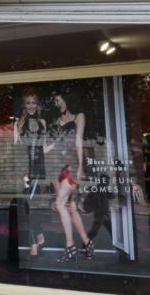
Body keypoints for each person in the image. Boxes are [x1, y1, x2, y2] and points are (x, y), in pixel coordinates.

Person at [49, 92, 94, 263]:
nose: (57, 103)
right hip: (57, 166)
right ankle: (88, 243)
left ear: (67, 100)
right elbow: (54, 144)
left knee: (60, 204)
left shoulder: (78, 117)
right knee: (71, 206)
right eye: (55, 101)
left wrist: (81, 166)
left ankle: (70, 248)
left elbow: (78, 141)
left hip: (72, 167)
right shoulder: (57, 122)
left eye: (59, 100)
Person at [15, 87, 54, 257]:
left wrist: (59, 143)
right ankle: (40, 238)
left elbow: (44, 148)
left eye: (33, 103)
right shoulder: (18, 123)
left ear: (37, 105)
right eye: (28, 103)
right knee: (28, 206)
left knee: (31, 206)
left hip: (38, 169)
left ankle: (33, 244)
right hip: (25, 168)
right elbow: (16, 146)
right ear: (25, 105)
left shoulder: (43, 123)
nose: (31, 105)